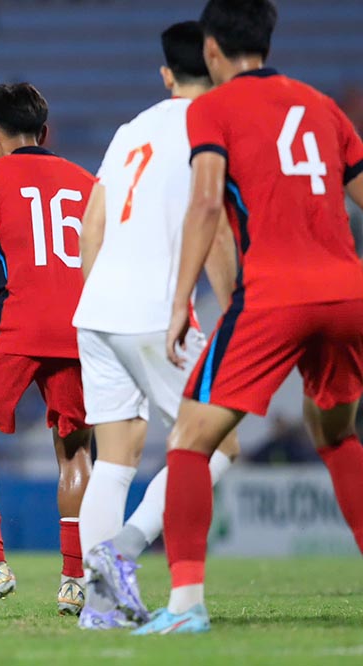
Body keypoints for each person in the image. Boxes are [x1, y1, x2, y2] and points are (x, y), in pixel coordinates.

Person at [134, 0, 363, 634]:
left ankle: (184, 607)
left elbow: (207, 204)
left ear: (211, 50)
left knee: (188, 440)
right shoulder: (321, 105)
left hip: (275, 295)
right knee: (336, 433)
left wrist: (181, 300)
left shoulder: (213, 108)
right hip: (349, 294)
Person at [71, 22, 240, 630]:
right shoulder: (216, 123)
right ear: (216, 64)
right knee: (219, 443)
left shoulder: (130, 129)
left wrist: (97, 302)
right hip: (155, 312)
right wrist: (234, 306)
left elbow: (92, 223)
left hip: (97, 311)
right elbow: (214, 221)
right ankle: (127, 550)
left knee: (114, 460)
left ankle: (100, 607)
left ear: (166, 74)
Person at [0, 83, 95, 619]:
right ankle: (75, 580)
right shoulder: (86, 181)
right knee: (76, 451)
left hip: (15, 328)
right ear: (44, 131)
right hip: (81, 331)